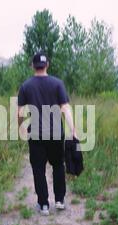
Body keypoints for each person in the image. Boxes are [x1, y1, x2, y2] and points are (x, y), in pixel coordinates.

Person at [17, 52, 76, 216]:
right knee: (58, 165)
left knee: (38, 169)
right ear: (47, 65)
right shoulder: (57, 84)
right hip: (56, 133)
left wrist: (21, 128)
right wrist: (73, 129)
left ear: (32, 66)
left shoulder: (26, 86)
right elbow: (65, 108)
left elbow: (20, 111)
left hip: (36, 135)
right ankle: (59, 201)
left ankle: (43, 205)